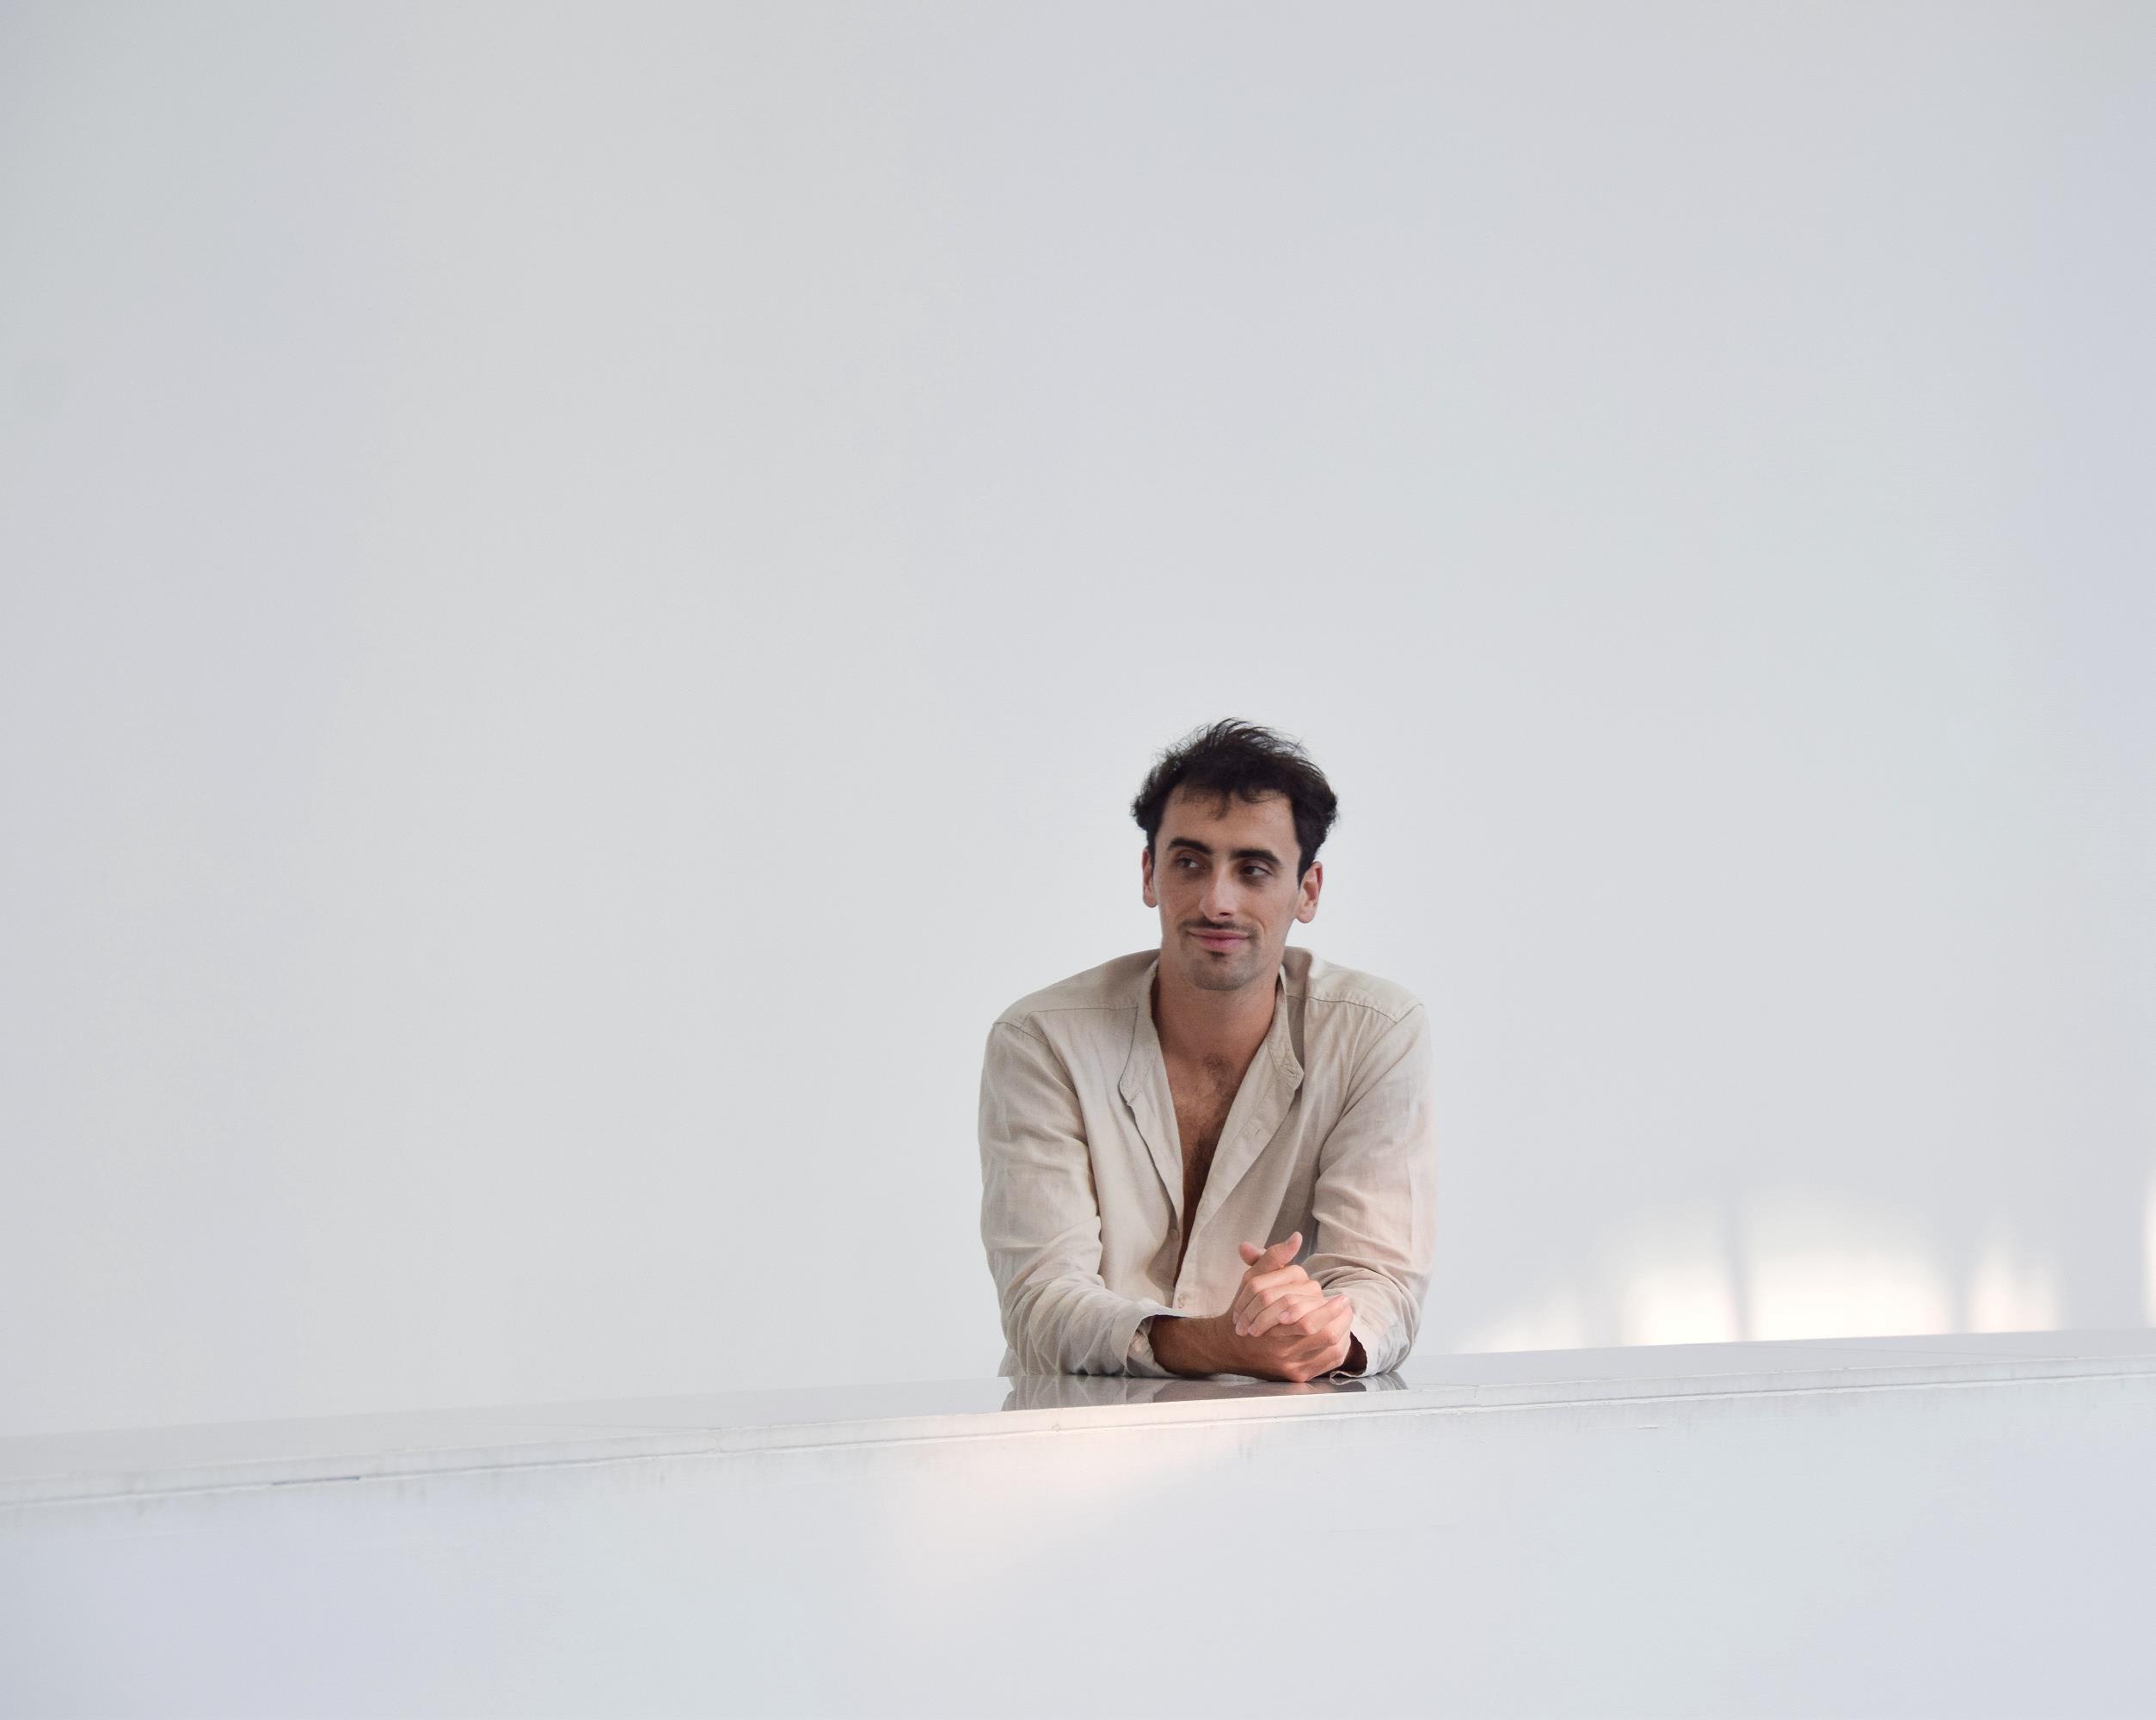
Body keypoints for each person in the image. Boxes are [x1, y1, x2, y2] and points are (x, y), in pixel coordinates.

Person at [977, 720, 1438, 1380]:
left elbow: (1379, 1282)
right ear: (1149, 874)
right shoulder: (1043, 1039)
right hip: (1078, 1424)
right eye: (1189, 863)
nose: (1217, 902)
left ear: (1307, 891)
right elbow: (1040, 1303)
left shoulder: (1375, 1032)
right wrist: (1219, 1344)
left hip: (1293, 1422)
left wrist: (1321, 1332)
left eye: (1253, 870)